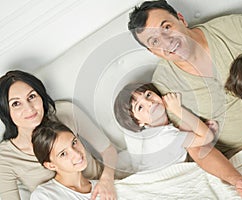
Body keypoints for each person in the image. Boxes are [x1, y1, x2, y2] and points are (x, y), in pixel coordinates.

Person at [127, 0, 242, 198]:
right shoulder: (165, 86)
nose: (167, 42)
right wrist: (236, 180)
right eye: (155, 41)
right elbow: (198, 147)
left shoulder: (237, 29)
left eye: (167, 27)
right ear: (152, 51)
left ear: (180, 19)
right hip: (239, 156)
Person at [0, 70, 117, 200]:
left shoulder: (66, 113)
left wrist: (107, 180)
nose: (29, 108)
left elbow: (108, 149)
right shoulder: (5, 157)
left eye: (32, 96)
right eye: (16, 104)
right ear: (6, 112)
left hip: (109, 188)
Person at [114, 82, 218, 171]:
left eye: (148, 95)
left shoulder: (158, 133)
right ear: (138, 122)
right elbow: (207, 137)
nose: (150, 103)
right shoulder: (165, 137)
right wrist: (177, 110)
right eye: (140, 107)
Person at [30, 119, 102, 199]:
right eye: (63, 154)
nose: (77, 154)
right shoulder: (44, 195)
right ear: (51, 165)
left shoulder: (106, 188)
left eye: (74, 143)